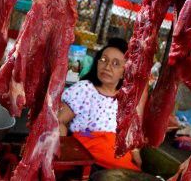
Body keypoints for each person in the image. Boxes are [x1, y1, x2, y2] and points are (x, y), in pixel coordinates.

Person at [58, 38, 142, 172]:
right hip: (88, 161)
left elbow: (129, 134)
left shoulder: (126, 98)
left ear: (124, 72)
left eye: (115, 63)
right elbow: (59, 121)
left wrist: (136, 154)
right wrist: (64, 152)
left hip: (120, 164)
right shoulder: (84, 89)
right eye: (104, 60)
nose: (107, 67)